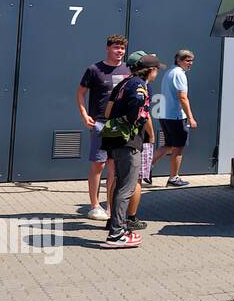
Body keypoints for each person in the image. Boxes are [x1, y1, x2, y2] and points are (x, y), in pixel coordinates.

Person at [100, 53, 163, 248]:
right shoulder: (139, 86)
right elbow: (137, 107)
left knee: (120, 184)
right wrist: (138, 122)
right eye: (156, 70)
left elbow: (108, 112)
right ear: (150, 70)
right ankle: (117, 234)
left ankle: (117, 226)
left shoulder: (125, 83)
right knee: (127, 187)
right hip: (129, 141)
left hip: (115, 140)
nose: (156, 74)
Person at [75, 35, 131, 221]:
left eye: (122, 48)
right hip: (99, 123)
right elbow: (80, 93)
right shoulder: (94, 69)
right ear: (107, 48)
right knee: (98, 164)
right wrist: (84, 115)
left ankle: (110, 207)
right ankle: (94, 205)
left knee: (113, 166)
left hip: (120, 124)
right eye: (116, 47)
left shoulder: (127, 69)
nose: (119, 51)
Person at [152, 49, 196, 188]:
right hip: (176, 117)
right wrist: (190, 118)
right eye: (187, 60)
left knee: (168, 145)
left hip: (166, 115)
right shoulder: (178, 74)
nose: (190, 63)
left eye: (191, 61)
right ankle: (173, 178)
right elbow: (182, 97)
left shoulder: (170, 72)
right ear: (178, 60)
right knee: (178, 148)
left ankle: (143, 169)